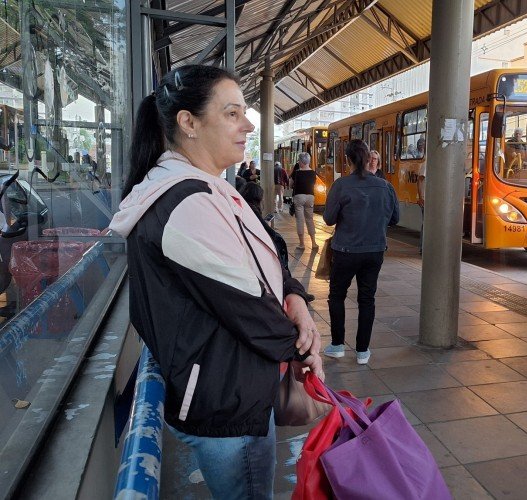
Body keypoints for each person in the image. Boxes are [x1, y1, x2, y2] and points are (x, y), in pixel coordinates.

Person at [108, 64, 322, 499]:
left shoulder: (206, 190)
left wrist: (295, 297)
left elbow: (267, 263)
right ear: (188, 122)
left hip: (231, 390)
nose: (246, 125)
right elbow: (250, 308)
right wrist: (303, 346)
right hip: (228, 407)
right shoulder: (186, 204)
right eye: (231, 113)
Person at [322, 139, 399, 365]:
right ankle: (363, 351)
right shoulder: (386, 187)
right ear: (368, 159)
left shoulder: (341, 185)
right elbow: (395, 219)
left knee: (337, 295)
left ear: (347, 160)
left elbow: (328, 219)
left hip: (345, 251)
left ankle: (337, 345)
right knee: (367, 299)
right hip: (375, 251)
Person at [290, 152, 317, 250]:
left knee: (300, 220)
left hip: (299, 196)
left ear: (301, 162)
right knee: (310, 219)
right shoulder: (313, 172)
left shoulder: (297, 172)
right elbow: (313, 183)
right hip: (310, 197)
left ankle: (302, 244)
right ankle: (314, 243)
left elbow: (290, 184)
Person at [416, 137, 426, 254]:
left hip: (433, 200)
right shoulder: (426, 164)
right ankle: (423, 248)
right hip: (426, 200)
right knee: (426, 224)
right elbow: (419, 180)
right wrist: (421, 197)